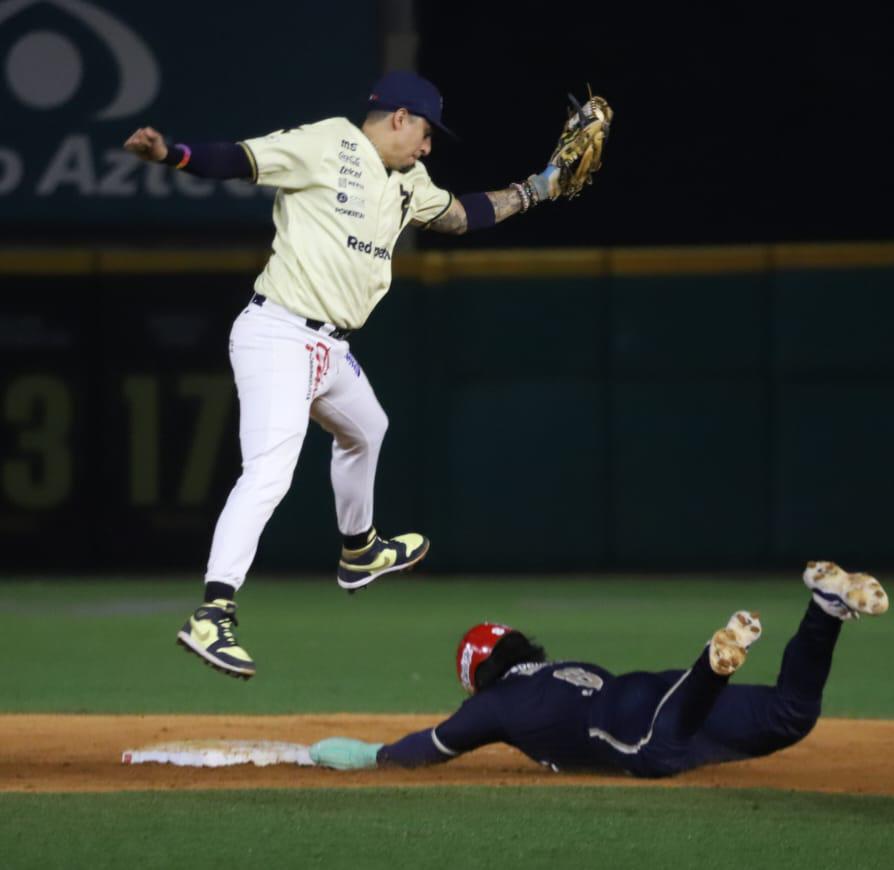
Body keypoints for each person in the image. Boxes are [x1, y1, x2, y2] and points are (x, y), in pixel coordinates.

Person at [122, 71, 575, 680]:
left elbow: (463, 216)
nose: (428, 146)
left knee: (367, 428)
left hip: (329, 347)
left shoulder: (410, 182)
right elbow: (239, 159)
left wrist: (538, 189)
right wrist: (171, 153)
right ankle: (213, 613)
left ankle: (359, 551)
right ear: (397, 118)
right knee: (269, 473)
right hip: (278, 333)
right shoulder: (328, 144)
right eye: (424, 131)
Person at [308, 562, 888, 776]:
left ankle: (714, 665)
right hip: (653, 691)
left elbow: (428, 748)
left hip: (640, 723)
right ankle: (824, 611)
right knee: (790, 716)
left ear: (476, 675)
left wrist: (372, 755)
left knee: (654, 755)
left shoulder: (495, 706)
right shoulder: (566, 668)